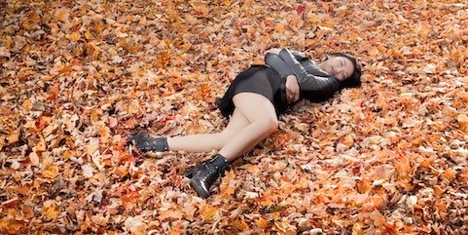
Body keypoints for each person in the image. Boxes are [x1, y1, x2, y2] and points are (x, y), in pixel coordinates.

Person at [129, 47, 362, 198]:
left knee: (228, 139)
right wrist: (290, 74)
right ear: (332, 55)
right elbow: (271, 53)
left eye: (342, 74)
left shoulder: (328, 83)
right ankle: (207, 170)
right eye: (340, 62)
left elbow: (294, 71)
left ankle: (153, 144)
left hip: (267, 96)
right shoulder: (304, 57)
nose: (337, 69)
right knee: (269, 122)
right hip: (260, 80)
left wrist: (289, 70)